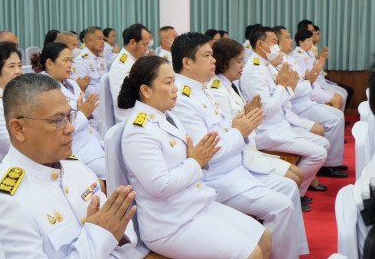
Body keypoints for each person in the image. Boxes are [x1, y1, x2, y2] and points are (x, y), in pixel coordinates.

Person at [171, 32, 309, 258]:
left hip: (236, 165)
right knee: (282, 205)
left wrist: (240, 126)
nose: (214, 60)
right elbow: (208, 152)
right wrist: (239, 130)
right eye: (207, 55)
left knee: (289, 189)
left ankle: (292, 252)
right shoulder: (184, 99)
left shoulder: (201, 88)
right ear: (187, 63)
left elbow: (227, 130)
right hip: (217, 178)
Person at [119, 55, 271, 259]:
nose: (175, 88)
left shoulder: (167, 116)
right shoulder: (138, 131)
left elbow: (191, 158)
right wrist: (196, 161)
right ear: (145, 90)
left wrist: (198, 158)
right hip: (170, 223)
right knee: (252, 254)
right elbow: (160, 186)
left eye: (174, 81)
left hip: (195, 204)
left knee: (265, 237)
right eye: (168, 82)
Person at [0, 73, 137, 258]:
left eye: (69, 116)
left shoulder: (74, 166)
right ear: (19, 129)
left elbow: (126, 238)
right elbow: (108, 232)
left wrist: (110, 233)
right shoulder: (6, 200)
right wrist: (101, 235)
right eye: (58, 120)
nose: (71, 128)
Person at [239, 27, 331, 208]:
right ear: (260, 44)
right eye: (274, 42)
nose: (278, 46)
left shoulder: (267, 66)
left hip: (282, 124)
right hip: (269, 131)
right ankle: (296, 194)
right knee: (319, 152)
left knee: (324, 145)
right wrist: (284, 87)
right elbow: (267, 108)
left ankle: (297, 192)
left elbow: (285, 95)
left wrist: (287, 87)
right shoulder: (254, 70)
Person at [209, 38, 304, 186]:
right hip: (241, 155)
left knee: (298, 173)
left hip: (251, 147)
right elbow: (228, 130)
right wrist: (248, 119)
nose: (243, 65)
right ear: (226, 62)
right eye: (239, 61)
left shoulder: (230, 84)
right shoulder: (217, 91)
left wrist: (249, 115)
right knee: (294, 179)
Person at [274, 26, 348, 179]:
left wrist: (309, 79)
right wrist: (308, 81)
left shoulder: (289, 58)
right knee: (334, 120)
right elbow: (293, 90)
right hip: (298, 104)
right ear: (278, 42)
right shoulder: (282, 62)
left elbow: (304, 80)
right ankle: (329, 165)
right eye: (287, 37)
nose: (290, 40)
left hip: (306, 98)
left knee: (338, 115)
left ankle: (334, 161)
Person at [30, 42, 106, 181]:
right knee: (112, 171)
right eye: (65, 60)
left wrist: (87, 113)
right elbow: (57, 127)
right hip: (74, 149)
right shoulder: (44, 89)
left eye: (71, 61)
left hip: (93, 141)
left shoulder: (72, 85)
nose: (70, 65)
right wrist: (83, 114)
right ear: (49, 63)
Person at [109, 23, 150, 123]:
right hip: (129, 119)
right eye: (144, 44)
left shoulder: (132, 61)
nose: (146, 49)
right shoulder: (122, 66)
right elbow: (122, 103)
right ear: (132, 43)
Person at [0, 43, 23, 166]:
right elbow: (10, 143)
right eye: (11, 66)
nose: (18, 71)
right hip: (12, 165)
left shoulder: (17, 94)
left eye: (20, 65)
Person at [72, 26, 107, 99]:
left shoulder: (101, 58)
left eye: (103, 39)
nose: (103, 42)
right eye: (99, 39)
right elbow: (85, 90)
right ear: (89, 41)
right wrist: (106, 87)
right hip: (93, 104)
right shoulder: (81, 60)